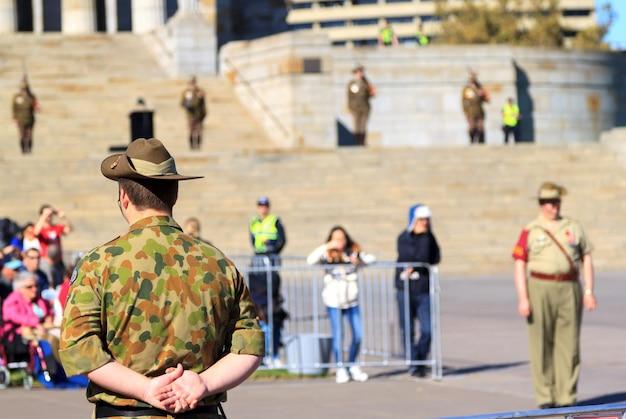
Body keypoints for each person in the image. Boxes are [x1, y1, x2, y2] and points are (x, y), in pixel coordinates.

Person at [59, 138, 264, 418]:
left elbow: (78, 347)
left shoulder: (99, 264)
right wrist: (203, 383)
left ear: (124, 197)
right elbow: (249, 347)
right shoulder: (218, 263)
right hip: (201, 411)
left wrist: (146, 389)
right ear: (174, 196)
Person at [512, 182, 596, 408]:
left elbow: (586, 256)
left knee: (569, 344)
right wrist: (523, 297)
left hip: (569, 286)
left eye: (557, 202)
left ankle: (566, 396)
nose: (554, 207)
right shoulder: (530, 229)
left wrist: (589, 290)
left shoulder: (573, 227)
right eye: (549, 202)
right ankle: (545, 397)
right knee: (540, 343)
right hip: (539, 286)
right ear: (541, 204)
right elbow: (519, 263)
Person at [307, 226, 374, 384]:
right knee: (338, 336)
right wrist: (327, 246)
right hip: (334, 301)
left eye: (342, 238)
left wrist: (359, 260)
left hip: (352, 300)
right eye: (336, 238)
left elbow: (372, 259)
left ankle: (352, 365)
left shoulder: (353, 252)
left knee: (358, 334)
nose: (339, 241)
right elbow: (310, 260)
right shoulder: (327, 253)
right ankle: (340, 368)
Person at [395, 204, 440, 377]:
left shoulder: (429, 237)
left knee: (427, 329)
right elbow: (407, 256)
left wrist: (426, 238)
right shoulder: (404, 237)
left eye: (427, 220)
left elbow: (433, 257)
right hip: (405, 289)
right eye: (421, 219)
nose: (425, 223)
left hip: (423, 288)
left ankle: (421, 359)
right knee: (407, 328)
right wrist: (416, 263)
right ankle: (414, 363)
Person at [248, 196, 287, 367]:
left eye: (265, 206)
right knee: (260, 313)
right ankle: (264, 354)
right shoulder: (254, 222)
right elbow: (252, 240)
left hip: (270, 261)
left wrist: (272, 246)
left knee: (273, 314)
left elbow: (282, 240)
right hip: (258, 262)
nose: (263, 208)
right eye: (260, 206)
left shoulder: (274, 220)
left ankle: (274, 353)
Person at [347, 65, 375, 146]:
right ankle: (357, 143)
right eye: (358, 72)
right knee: (356, 125)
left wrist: (372, 93)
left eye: (361, 72)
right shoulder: (352, 83)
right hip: (355, 107)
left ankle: (362, 142)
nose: (360, 74)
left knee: (363, 125)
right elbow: (349, 96)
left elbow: (370, 94)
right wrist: (349, 107)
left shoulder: (366, 83)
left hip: (365, 107)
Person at [12, 77, 38, 154]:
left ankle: (29, 149)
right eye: (23, 89)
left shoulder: (32, 97)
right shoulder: (17, 97)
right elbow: (14, 108)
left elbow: (35, 107)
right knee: (22, 135)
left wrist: (36, 106)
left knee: (29, 135)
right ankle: (23, 149)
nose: (24, 90)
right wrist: (15, 117)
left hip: (30, 119)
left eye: (25, 89)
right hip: (21, 120)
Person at [462, 71, 489, 144]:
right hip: (471, 112)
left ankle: (481, 142)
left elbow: (487, 99)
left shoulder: (480, 87)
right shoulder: (467, 89)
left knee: (481, 128)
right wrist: (465, 112)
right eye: (471, 79)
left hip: (479, 111)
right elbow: (463, 101)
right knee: (472, 127)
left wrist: (482, 94)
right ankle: (472, 141)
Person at [181, 76, 207, 150]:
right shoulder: (186, 92)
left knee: (199, 131)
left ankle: (198, 145)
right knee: (191, 131)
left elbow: (203, 105)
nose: (192, 85)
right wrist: (187, 103)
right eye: (191, 83)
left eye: (193, 83)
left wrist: (200, 97)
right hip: (190, 115)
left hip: (199, 115)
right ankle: (191, 146)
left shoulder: (200, 91)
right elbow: (182, 103)